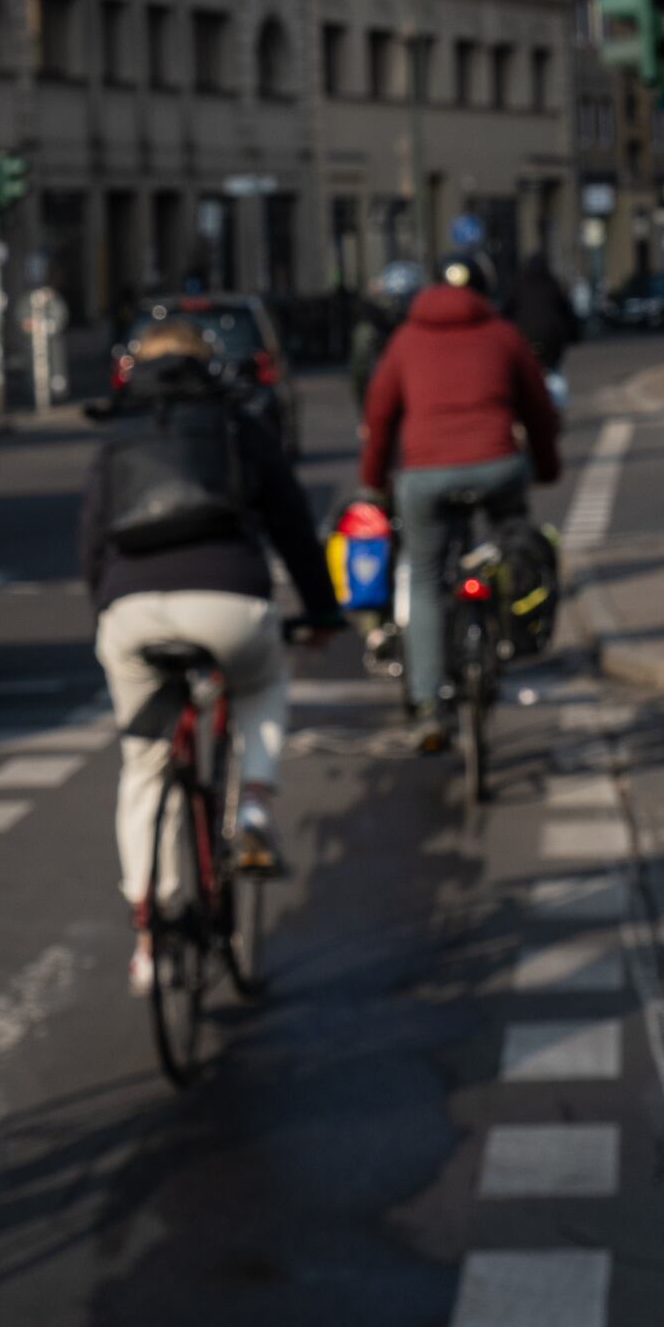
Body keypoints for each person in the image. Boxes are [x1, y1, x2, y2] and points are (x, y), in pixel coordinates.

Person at [82, 319, 337, 994]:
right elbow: (290, 522)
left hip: (132, 611)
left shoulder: (117, 436)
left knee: (144, 765)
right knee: (260, 682)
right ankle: (252, 804)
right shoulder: (237, 425)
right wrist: (321, 611)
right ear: (208, 368)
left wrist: (107, 611)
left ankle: (151, 935)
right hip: (231, 600)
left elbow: (91, 542)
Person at [356, 263, 562, 753]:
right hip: (497, 466)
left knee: (425, 576)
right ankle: (505, 630)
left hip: (425, 476)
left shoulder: (406, 339)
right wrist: (546, 466)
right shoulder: (502, 334)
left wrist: (375, 479)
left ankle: (428, 705)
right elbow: (538, 409)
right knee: (510, 536)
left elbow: (379, 414)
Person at [505, 248, 580, 413]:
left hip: (525, 338)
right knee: (555, 371)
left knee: (524, 372)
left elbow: (507, 312)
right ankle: (558, 405)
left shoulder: (518, 285)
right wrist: (575, 335)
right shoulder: (552, 284)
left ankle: (525, 403)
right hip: (552, 340)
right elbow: (567, 312)